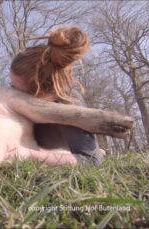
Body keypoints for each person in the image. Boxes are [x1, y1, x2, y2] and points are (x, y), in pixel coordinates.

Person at [9, 27, 104, 166]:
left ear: (42, 93)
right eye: (11, 84)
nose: (12, 91)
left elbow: (91, 160)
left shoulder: (68, 103)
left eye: (18, 89)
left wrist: (29, 154)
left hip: (57, 149)